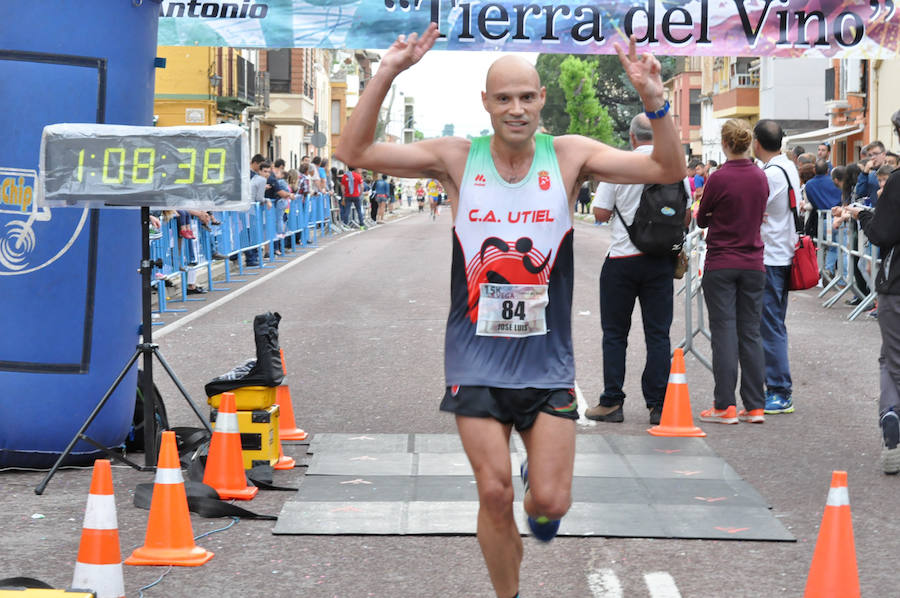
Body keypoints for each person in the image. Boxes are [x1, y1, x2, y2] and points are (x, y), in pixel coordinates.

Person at [335, 24, 684, 598]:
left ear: (542, 98)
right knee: (492, 493)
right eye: (504, 98)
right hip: (474, 355)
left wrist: (655, 101)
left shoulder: (570, 156)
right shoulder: (456, 159)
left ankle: (537, 494)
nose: (516, 109)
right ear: (486, 104)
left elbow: (667, 170)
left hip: (547, 362)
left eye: (526, 96)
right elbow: (352, 152)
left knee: (549, 504)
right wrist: (387, 72)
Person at [585, 114, 690, 426]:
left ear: (632, 138)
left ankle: (611, 402)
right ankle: (658, 405)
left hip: (621, 260)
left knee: (615, 334)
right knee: (658, 334)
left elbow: (601, 213)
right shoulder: (674, 168)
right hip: (660, 261)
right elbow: (684, 217)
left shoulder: (619, 166)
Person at [696, 119, 769, 424]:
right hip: (753, 262)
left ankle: (724, 404)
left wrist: (713, 213)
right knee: (750, 333)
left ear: (725, 144)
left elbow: (702, 219)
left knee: (724, 332)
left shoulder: (718, 177)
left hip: (722, 260)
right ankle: (755, 405)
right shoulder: (760, 177)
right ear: (749, 143)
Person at [844, 108, 900, 474]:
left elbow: (882, 235)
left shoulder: (896, 182)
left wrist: (861, 215)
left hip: (897, 285)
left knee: (892, 362)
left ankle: (892, 422)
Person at [753, 120, 801, 415]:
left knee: (770, 325)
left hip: (770, 255)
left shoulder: (771, 174)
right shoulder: (789, 167)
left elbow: (755, 209)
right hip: (783, 253)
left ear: (756, 142)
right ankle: (777, 386)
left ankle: (780, 389)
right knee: (773, 322)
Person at [804, 159, 843, 278]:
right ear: (828, 171)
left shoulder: (809, 184)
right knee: (839, 248)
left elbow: (812, 201)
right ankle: (834, 274)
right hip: (838, 217)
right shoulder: (834, 181)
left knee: (827, 246)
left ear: (814, 170)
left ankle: (825, 270)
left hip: (822, 219)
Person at [857, 141, 886, 205]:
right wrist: (865, 172)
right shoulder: (871, 175)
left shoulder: (891, 173)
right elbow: (860, 193)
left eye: (876, 154)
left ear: (883, 154)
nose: (873, 157)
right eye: (870, 155)